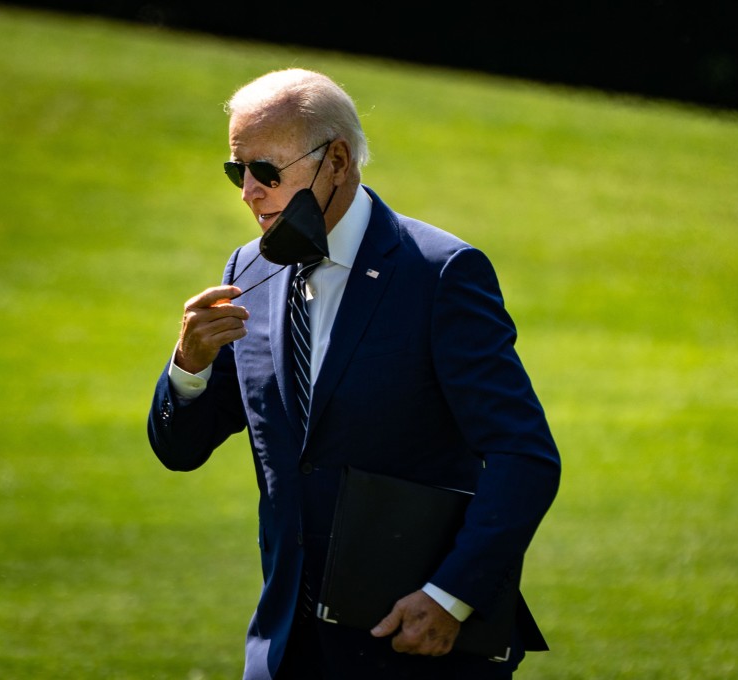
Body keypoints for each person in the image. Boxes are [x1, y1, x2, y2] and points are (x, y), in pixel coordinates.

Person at [147, 67, 561, 680]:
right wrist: (189, 368)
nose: (248, 193)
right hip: (284, 647)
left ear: (336, 160)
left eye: (265, 171)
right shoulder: (247, 267)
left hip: (416, 644)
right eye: (238, 172)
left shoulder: (441, 273)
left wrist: (451, 597)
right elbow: (181, 451)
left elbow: (524, 455)